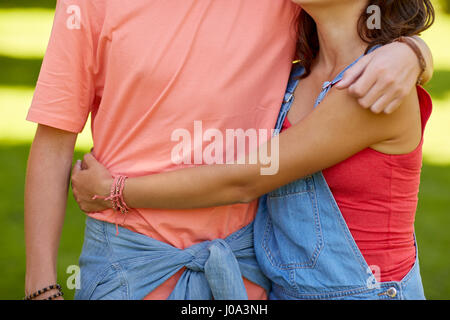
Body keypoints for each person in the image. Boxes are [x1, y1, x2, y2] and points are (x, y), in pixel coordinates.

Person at [26, 0, 433, 300]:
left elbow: (246, 179)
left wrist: (411, 52)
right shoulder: (301, 72)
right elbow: (53, 140)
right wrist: (40, 288)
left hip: (269, 280)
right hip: (132, 269)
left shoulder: (363, 80)